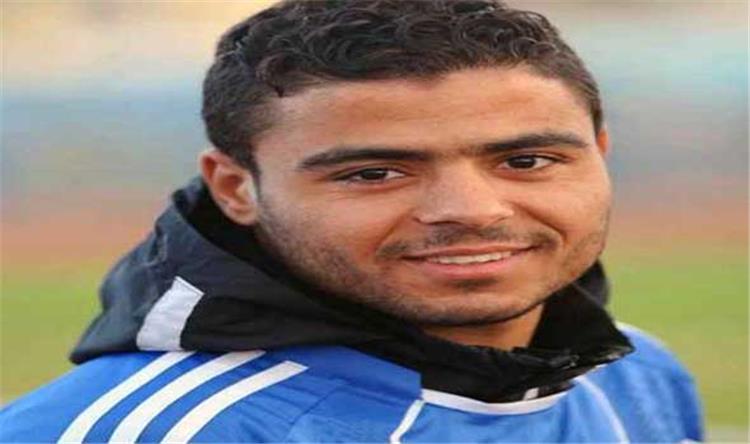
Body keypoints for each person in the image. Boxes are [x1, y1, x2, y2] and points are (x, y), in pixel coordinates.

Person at [0, 0, 703, 442]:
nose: (471, 209)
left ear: (599, 153)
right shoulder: (137, 432)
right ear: (236, 188)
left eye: (527, 161)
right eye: (374, 173)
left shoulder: (638, 376)